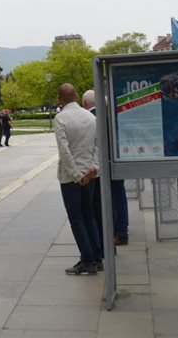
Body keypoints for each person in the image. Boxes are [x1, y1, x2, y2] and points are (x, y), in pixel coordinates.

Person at [54, 83, 101, 276]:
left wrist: (76, 175)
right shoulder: (90, 117)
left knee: (76, 218)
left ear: (60, 99)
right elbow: (98, 145)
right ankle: (97, 257)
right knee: (89, 215)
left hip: (71, 178)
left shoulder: (60, 119)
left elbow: (64, 151)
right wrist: (93, 168)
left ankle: (87, 260)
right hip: (90, 173)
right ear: (76, 97)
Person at [82, 89, 129, 246]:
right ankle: (121, 230)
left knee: (109, 199)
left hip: (102, 164)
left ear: (85, 103)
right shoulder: (109, 115)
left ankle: (117, 231)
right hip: (115, 160)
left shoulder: (91, 118)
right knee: (119, 197)